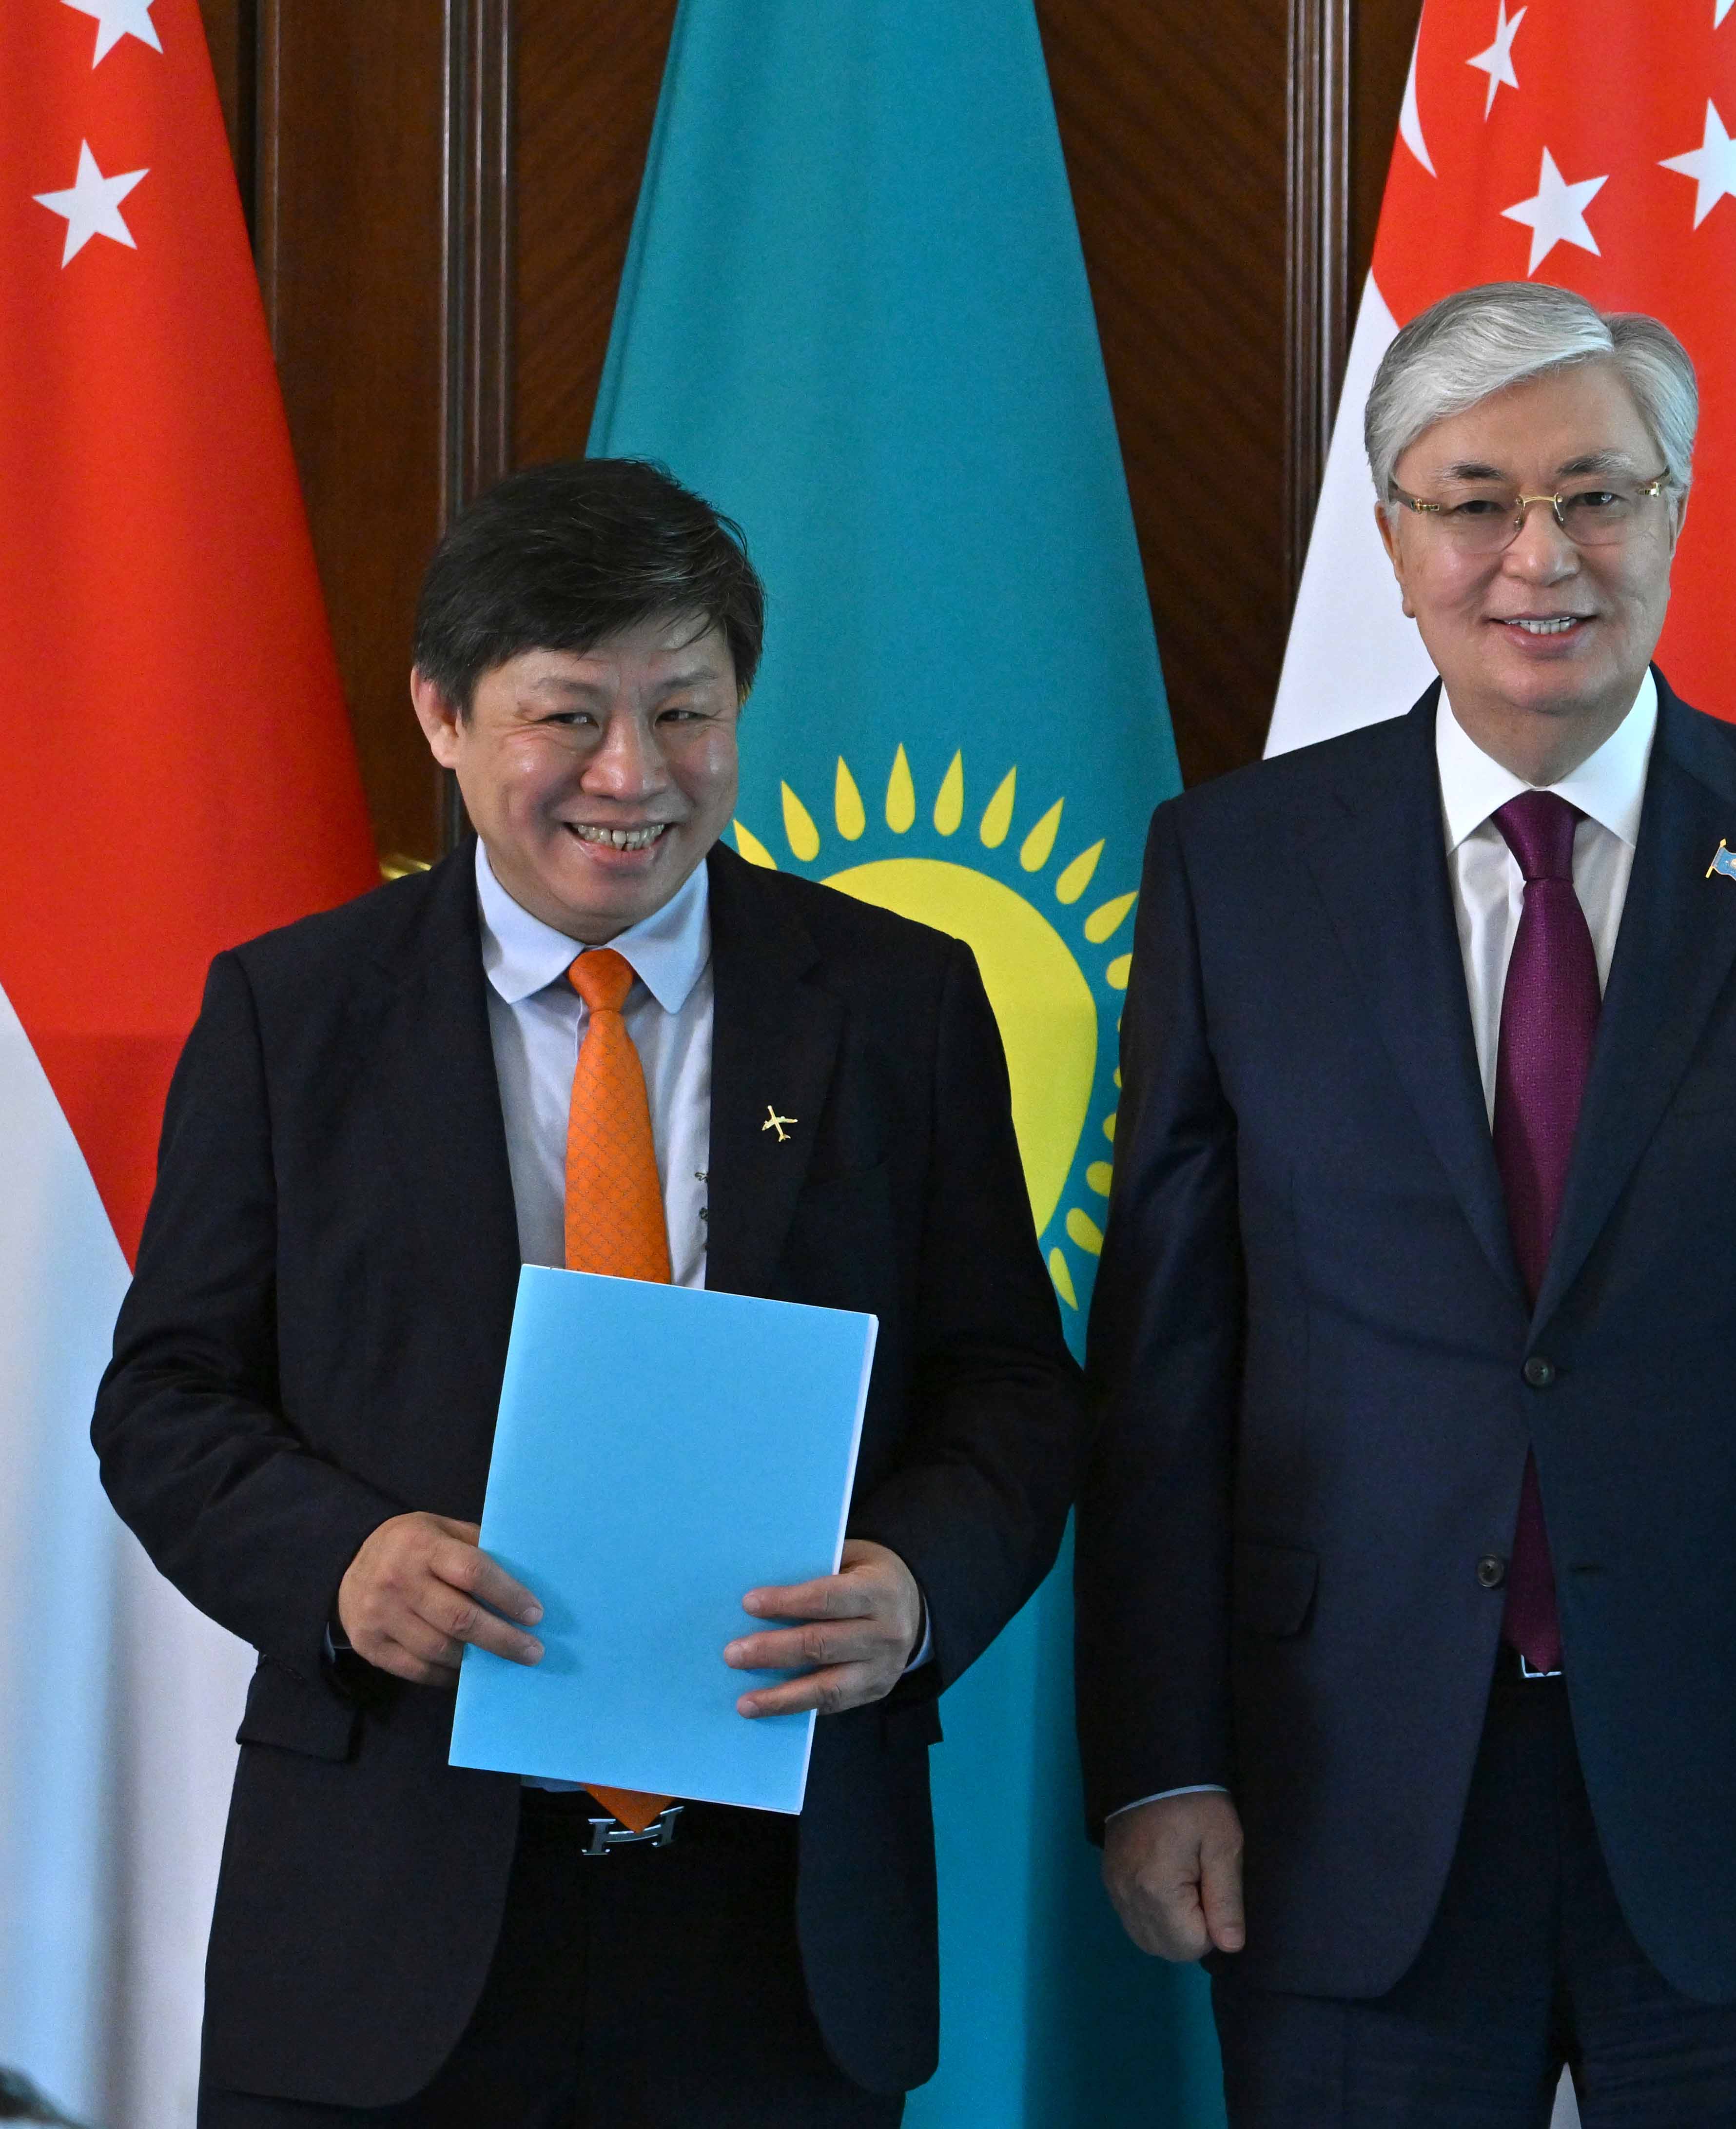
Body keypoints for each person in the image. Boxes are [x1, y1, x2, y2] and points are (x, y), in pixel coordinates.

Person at [1074, 280, 1736, 2127]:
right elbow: (1169, 1372)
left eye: (1599, 495)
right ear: (1395, 541)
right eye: (1476, 502)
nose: (1543, 556)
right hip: (1343, 1794)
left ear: (1674, 516)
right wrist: (1158, 1760)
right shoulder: (1236, 869)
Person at [94, 459, 1080, 2126]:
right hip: (385, 1912)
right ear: (443, 715)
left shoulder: (895, 1003)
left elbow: (1013, 1386)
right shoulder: (292, 1013)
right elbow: (166, 1398)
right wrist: (342, 1562)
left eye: (685, 712)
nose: (634, 776)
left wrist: (919, 1591)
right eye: (569, 716)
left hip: (777, 1931)